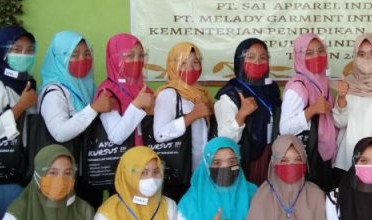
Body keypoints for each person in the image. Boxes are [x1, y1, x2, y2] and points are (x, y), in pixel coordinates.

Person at [37, 31, 111, 206]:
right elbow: (59, 132)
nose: (82, 59)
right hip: (64, 174)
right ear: (58, 58)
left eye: (86, 54)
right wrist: (93, 109)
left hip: (86, 171)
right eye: (74, 55)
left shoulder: (87, 86)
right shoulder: (54, 91)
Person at [0, 26, 38, 216]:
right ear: (2, 52)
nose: (24, 55)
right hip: (3, 180)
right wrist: (20, 106)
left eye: (29, 51)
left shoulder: (27, 83)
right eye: (17, 50)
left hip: (23, 173)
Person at [215, 38, 281, 185]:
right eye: (251, 57)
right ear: (240, 61)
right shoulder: (231, 93)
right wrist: (241, 115)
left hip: (271, 153)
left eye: (263, 57)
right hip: (246, 156)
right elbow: (225, 138)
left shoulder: (271, 89)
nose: (257, 62)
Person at [331, 33, 372, 173]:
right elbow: (340, 123)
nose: (367, 58)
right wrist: (342, 98)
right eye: (361, 54)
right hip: (347, 159)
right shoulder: (348, 85)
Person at [154, 42, 214, 200]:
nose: (191, 68)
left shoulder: (201, 94)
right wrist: (192, 116)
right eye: (183, 63)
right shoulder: (168, 94)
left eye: (195, 62)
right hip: (179, 173)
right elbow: (160, 134)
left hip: (201, 172)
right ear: (173, 66)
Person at [280, 32, 338, 191]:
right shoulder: (297, 87)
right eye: (309, 53)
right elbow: (285, 128)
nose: (317, 56)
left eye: (320, 51)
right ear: (298, 56)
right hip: (309, 157)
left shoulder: (322, 81)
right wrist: (311, 110)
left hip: (323, 155)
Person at [95, 33, 154, 147]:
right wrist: (136, 105)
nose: (137, 61)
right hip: (124, 156)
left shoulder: (144, 89)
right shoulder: (107, 92)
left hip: (146, 155)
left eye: (141, 56)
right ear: (115, 58)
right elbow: (116, 137)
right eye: (130, 56)